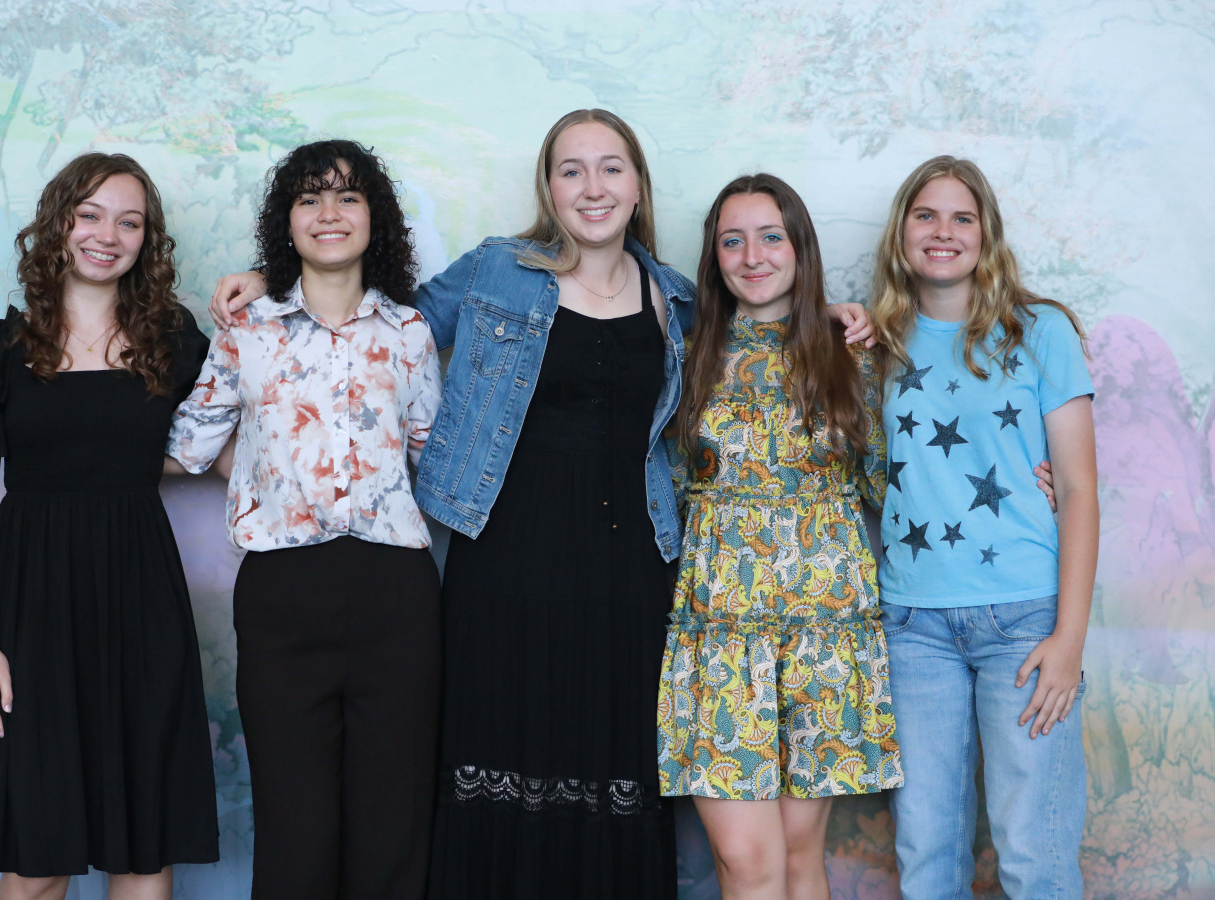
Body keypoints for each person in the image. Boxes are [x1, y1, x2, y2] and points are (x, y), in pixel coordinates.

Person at [207, 111, 874, 899]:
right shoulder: (497, 270)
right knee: (499, 774)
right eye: (571, 169)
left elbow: (760, 323)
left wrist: (833, 316)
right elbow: (372, 317)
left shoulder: (677, 299)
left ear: (638, 185)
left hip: (629, 577)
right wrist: (274, 280)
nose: (593, 187)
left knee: (610, 780)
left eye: (611, 168)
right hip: (505, 568)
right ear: (548, 188)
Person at [167, 139, 443, 900]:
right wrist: (262, 471)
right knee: (296, 825)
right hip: (283, 594)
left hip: (396, 593)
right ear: (286, 220)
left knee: (393, 823)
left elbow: (433, 461)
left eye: (348, 196)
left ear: (373, 217)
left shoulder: (409, 332)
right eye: (309, 197)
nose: (329, 213)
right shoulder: (246, 329)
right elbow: (187, 446)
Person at [0, 152, 219, 900]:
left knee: (143, 851)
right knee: (38, 861)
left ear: (147, 240)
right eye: (90, 215)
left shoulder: (175, 341)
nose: (108, 235)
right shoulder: (0, 350)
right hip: (33, 613)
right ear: (59, 223)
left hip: (142, 604)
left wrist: (258, 295)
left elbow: (216, 450)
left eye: (129, 222)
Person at [658, 174, 902, 900]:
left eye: (771, 237)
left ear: (800, 248)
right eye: (732, 241)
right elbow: (660, 489)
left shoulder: (850, 353)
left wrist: (1035, 479)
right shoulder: (684, 357)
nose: (752, 256)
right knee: (746, 861)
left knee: (799, 858)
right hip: (721, 637)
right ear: (714, 257)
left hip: (824, 634)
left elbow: (895, 485)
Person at [870, 156, 1097, 899]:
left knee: (1034, 851)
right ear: (901, 232)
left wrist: (1069, 639)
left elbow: (1079, 489)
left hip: (1025, 623)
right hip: (913, 626)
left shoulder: (1040, 331)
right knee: (926, 850)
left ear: (986, 234)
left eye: (961, 217)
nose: (943, 232)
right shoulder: (876, 343)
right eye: (926, 216)